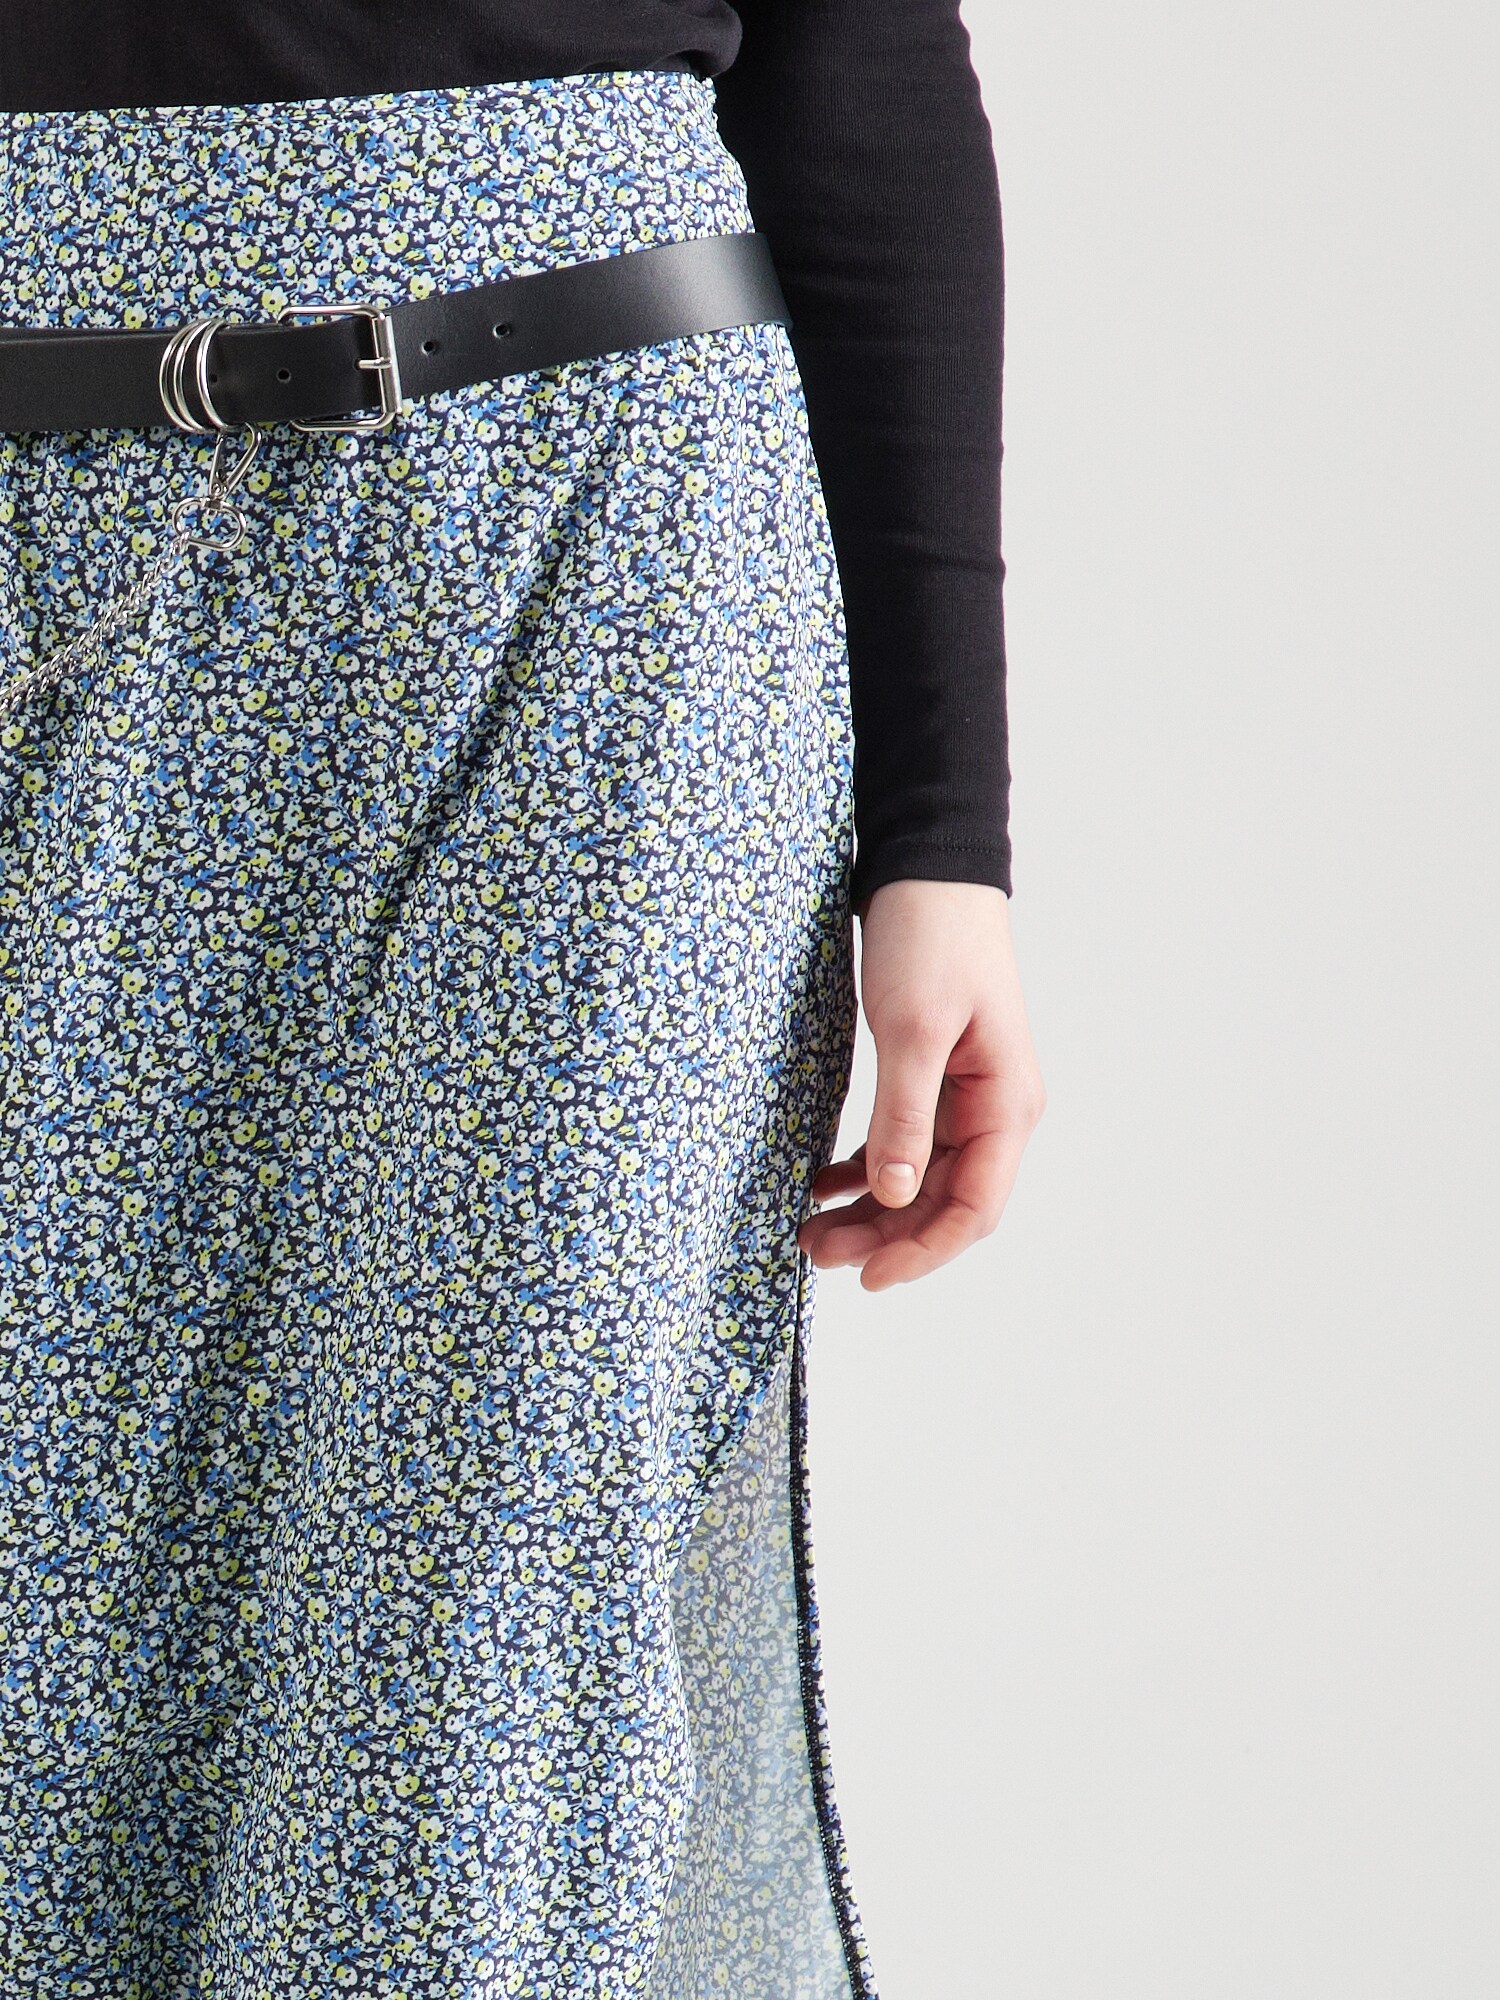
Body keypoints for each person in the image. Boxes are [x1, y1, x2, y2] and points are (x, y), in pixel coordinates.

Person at [0, 4, 1043, 1996]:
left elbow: (860, 70)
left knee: (474, 1609)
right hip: (39, 532)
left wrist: (947, 835)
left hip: (604, 548)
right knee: (54, 1601)